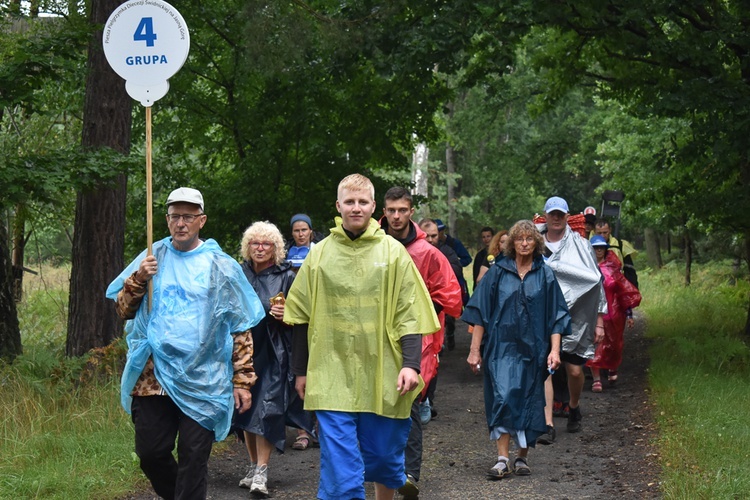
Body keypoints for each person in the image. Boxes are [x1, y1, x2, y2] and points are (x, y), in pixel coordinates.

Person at [284, 174, 440, 500]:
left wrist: (411, 364)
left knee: (383, 457)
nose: (356, 208)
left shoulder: (393, 253)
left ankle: (393, 475)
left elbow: (409, 313)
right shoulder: (320, 255)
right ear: (338, 206)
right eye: (349, 202)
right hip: (331, 373)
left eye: (363, 202)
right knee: (341, 474)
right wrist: (301, 370)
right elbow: (302, 316)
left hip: (382, 370)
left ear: (373, 207)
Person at [105, 187, 265, 499]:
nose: (181, 223)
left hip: (204, 377)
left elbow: (239, 327)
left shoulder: (220, 266)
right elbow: (123, 310)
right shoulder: (152, 258)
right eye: (175, 216)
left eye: (188, 217)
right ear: (166, 221)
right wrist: (138, 278)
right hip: (153, 377)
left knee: (194, 458)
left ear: (201, 220)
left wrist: (242, 380)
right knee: (151, 453)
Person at [462, 220, 570, 479]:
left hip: (534, 348)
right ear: (511, 243)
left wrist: (555, 351)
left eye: (529, 239)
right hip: (501, 347)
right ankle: (501, 458)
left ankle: (522, 457)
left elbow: (557, 316)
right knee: (502, 396)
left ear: (536, 243)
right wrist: (474, 350)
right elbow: (480, 313)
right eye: (519, 239)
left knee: (528, 398)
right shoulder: (497, 273)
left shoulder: (545, 275)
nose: (524, 243)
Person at [380, 187, 463, 499]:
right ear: (384, 211)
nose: (397, 216)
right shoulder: (374, 244)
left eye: (403, 209)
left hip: (421, 337)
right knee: (379, 401)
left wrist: (419, 302)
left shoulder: (427, 252)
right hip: (376, 336)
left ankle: (409, 473)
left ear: (411, 210)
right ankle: (385, 467)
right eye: (392, 210)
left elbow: (453, 298)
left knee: (410, 399)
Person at [234, 221, 315, 496]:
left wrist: (287, 316)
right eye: (255, 243)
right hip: (242, 351)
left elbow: (303, 315)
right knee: (245, 409)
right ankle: (253, 464)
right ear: (248, 246)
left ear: (276, 248)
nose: (260, 248)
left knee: (267, 409)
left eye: (266, 244)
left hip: (275, 350)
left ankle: (262, 471)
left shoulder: (286, 276)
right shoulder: (238, 273)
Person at [540, 196, 606, 440]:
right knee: (544, 369)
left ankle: (574, 407)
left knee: (575, 371)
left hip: (575, 318)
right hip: (543, 316)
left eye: (561, 214)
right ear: (545, 216)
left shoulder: (580, 244)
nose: (556, 218)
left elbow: (596, 281)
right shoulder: (533, 242)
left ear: (567, 217)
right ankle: (547, 425)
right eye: (552, 214)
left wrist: (599, 320)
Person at [587, 236, 642, 391]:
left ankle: (612, 367)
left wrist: (629, 314)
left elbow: (624, 292)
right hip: (592, 314)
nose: (598, 250)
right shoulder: (584, 267)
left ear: (605, 249)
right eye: (595, 247)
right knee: (594, 345)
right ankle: (596, 379)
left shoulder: (613, 270)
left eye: (601, 247)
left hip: (613, 314)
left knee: (613, 345)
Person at [419, 218, 465, 351]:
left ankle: (447, 340)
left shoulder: (446, 250)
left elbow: (456, 269)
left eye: (433, 236)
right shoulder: (411, 251)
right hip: (417, 303)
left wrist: (437, 270)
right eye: (426, 235)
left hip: (439, 302)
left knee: (435, 343)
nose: (430, 239)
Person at [594, 219, 639, 289]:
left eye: (605, 232)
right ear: (594, 232)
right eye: (599, 233)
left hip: (617, 286)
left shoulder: (620, 245)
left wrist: (633, 288)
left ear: (610, 230)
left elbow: (630, 270)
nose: (602, 236)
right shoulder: (588, 246)